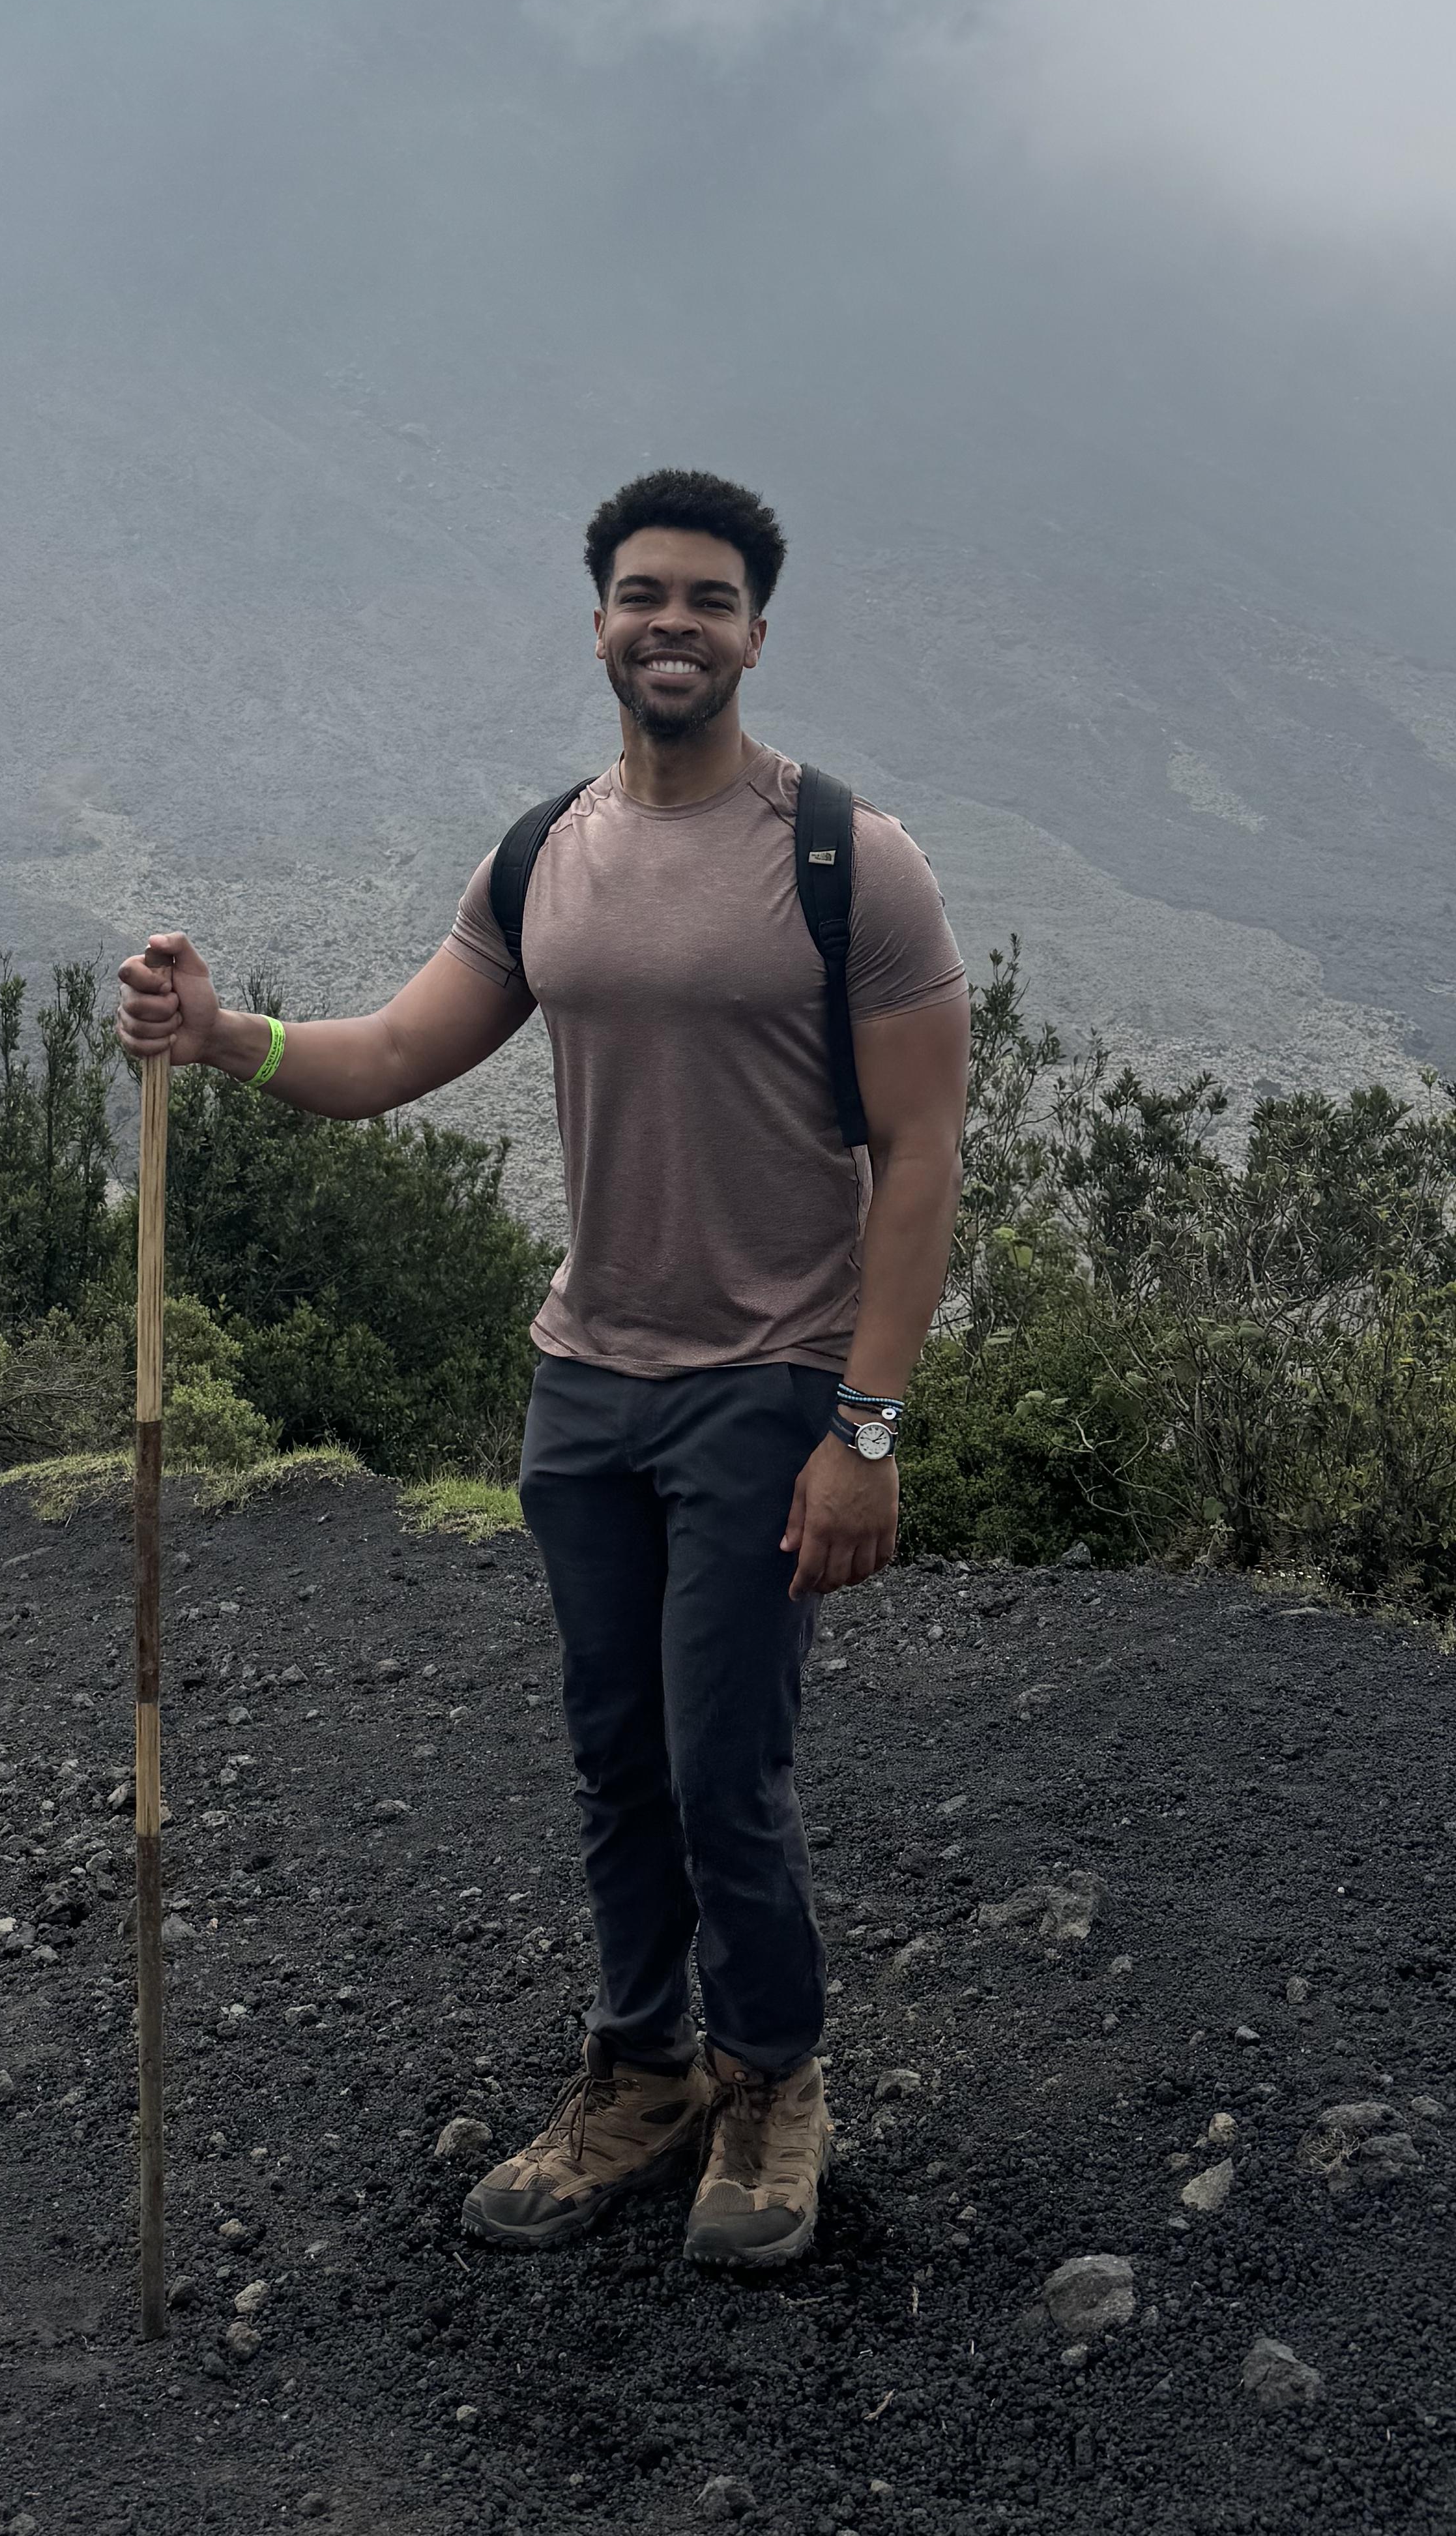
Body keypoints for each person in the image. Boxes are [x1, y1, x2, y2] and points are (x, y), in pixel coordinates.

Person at [117, 466, 968, 2272]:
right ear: (598, 620)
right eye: (642, 593)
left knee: (723, 1758)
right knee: (614, 1756)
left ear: (754, 632)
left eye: (710, 599)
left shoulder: (845, 861)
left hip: (768, 1377)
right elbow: (390, 1054)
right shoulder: (541, 856)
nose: (673, 622)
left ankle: (772, 2082)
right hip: (586, 1378)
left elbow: (922, 1158)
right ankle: (639, 2068)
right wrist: (222, 1035)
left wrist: (864, 1430)